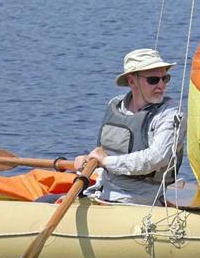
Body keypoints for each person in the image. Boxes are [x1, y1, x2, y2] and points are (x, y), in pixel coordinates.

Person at [74, 48, 184, 205]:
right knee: (44, 200)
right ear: (132, 81)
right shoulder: (115, 105)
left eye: (165, 78)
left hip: (139, 200)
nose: (162, 85)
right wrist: (87, 160)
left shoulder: (171, 114)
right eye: (153, 80)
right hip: (103, 191)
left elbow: (156, 158)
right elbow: (102, 151)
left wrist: (105, 162)